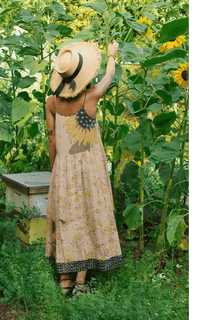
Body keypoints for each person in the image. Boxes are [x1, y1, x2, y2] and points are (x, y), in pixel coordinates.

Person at [45, 40, 123, 297]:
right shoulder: (91, 96)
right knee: (89, 215)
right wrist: (112, 55)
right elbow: (109, 77)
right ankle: (80, 284)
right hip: (89, 166)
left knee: (67, 217)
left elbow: (52, 139)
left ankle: (64, 281)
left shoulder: (51, 103)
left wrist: (56, 167)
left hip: (64, 166)